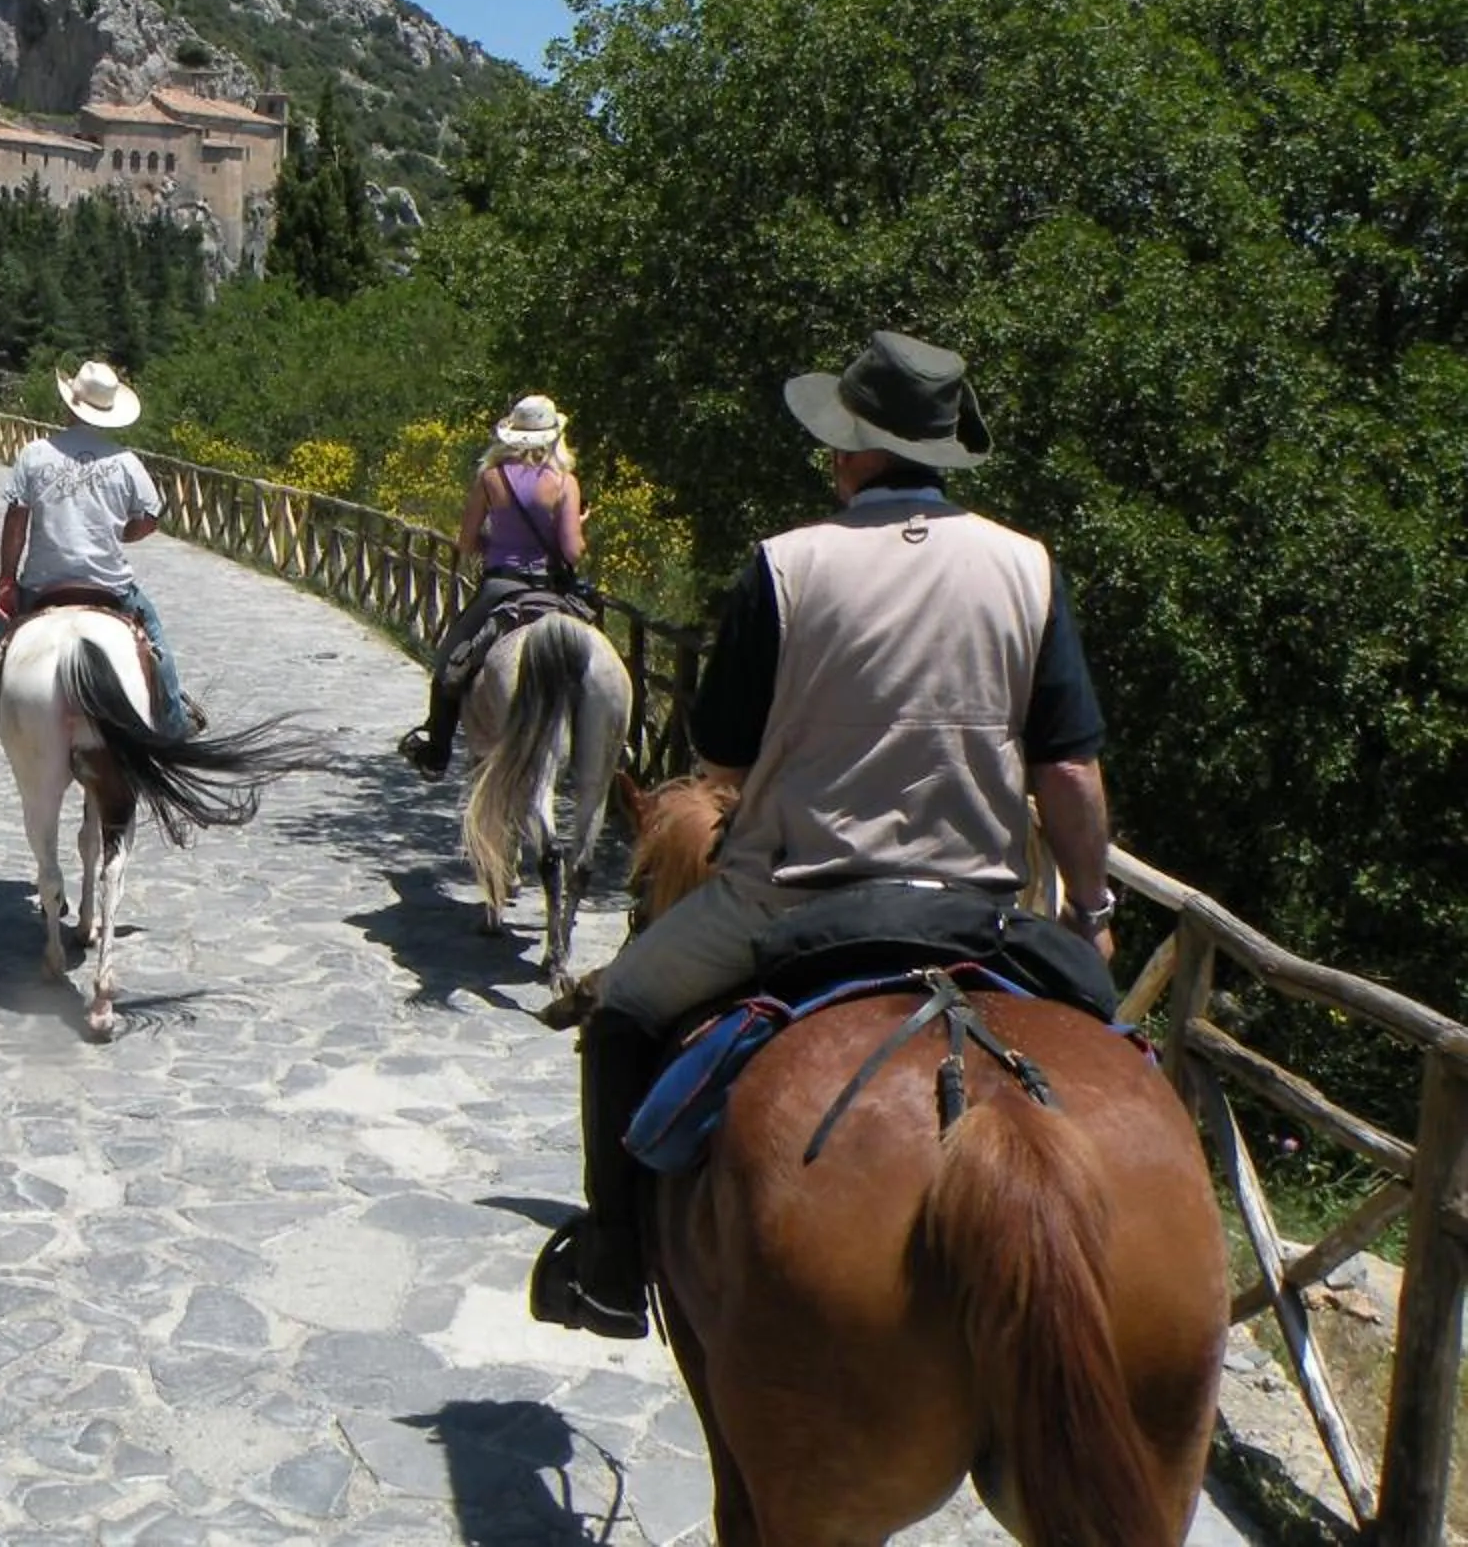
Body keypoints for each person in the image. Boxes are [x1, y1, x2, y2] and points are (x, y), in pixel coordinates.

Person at [531, 330, 1118, 1339]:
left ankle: (617, 1272)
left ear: (854, 452)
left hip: (791, 900)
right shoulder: (1028, 568)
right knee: (1110, 1043)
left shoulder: (787, 566)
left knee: (623, 1012)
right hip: (976, 910)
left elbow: (720, 756)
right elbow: (1068, 770)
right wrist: (1095, 908)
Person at [0, 358, 199, 765]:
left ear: (70, 404)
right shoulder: (126, 462)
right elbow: (150, 519)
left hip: (44, 586)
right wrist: (119, 534)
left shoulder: (35, 454)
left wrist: (7, 579)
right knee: (155, 643)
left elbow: (16, 522)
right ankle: (173, 722)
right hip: (109, 587)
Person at [398, 394, 590, 775]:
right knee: (598, 659)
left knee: (450, 662)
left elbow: (466, 543)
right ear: (553, 436)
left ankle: (436, 749)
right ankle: (613, 749)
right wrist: (579, 528)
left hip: (501, 587)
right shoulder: (565, 483)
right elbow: (572, 552)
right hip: (551, 591)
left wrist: (496, 545)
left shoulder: (490, 479)